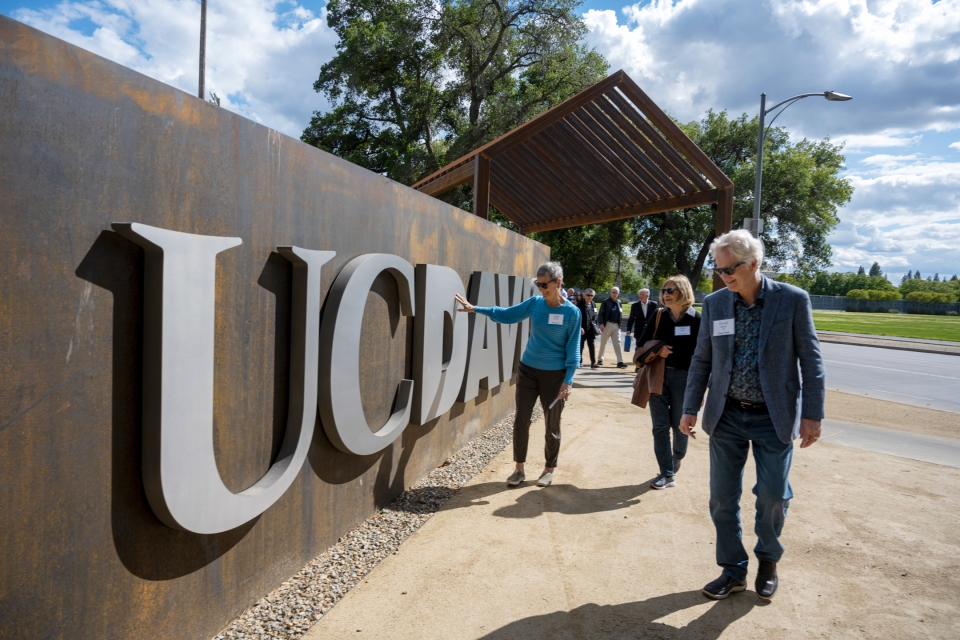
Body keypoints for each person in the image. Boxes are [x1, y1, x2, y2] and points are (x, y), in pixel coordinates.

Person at [679, 230, 824, 602]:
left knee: (773, 495)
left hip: (773, 416)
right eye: (719, 268)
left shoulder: (792, 300)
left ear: (754, 264)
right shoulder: (715, 304)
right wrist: (690, 407)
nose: (724, 275)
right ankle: (732, 570)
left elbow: (811, 360)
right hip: (725, 415)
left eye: (731, 268)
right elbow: (702, 360)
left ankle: (769, 560)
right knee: (722, 498)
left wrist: (812, 415)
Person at [455, 262, 581, 488]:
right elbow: (508, 315)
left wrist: (568, 380)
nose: (540, 289)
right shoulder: (535, 303)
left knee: (552, 424)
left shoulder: (572, 313)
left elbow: (574, 347)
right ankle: (519, 469)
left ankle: (548, 469)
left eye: (544, 284)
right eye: (537, 283)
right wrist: (476, 309)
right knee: (521, 418)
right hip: (528, 370)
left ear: (558, 283)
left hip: (555, 375)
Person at [636, 276, 701, 490]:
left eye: (670, 290)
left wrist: (701, 388)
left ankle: (676, 458)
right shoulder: (659, 315)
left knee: (680, 425)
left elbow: (704, 356)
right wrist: (658, 349)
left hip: (685, 379)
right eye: (664, 290)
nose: (665, 294)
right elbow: (642, 343)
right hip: (658, 376)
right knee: (660, 427)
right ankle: (667, 473)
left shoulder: (696, 320)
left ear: (682, 291)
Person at [626, 288, 658, 372]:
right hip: (639, 331)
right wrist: (628, 329)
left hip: (651, 331)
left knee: (650, 348)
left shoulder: (654, 305)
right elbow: (631, 319)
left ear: (647, 295)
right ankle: (638, 365)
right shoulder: (635, 305)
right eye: (640, 294)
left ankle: (649, 366)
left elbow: (657, 318)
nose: (640, 296)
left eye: (642, 294)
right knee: (639, 348)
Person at [597, 286, 627, 368]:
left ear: (618, 294)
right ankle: (600, 359)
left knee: (617, 343)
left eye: (616, 292)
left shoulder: (619, 302)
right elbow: (601, 314)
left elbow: (620, 314)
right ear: (610, 293)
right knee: (603, 342)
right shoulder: (605, 302)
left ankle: (620, 361)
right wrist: (601, 324)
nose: (614, 294)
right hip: (607, 324)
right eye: (613, 292)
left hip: (616, 325)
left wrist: (619, 324)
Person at [577, 288, 599, 369]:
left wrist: (597, 326)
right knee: (581, 345)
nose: (589, 297)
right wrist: (580, 327)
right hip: (582, 329)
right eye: (588, 295)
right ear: (584, 295)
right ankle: (579, 361)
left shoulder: (593, 304)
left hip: (591, 329)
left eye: (591, 295)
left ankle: (593, 362)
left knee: (591, 345)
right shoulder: (580, 304)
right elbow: (577, 317)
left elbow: (595, 316)